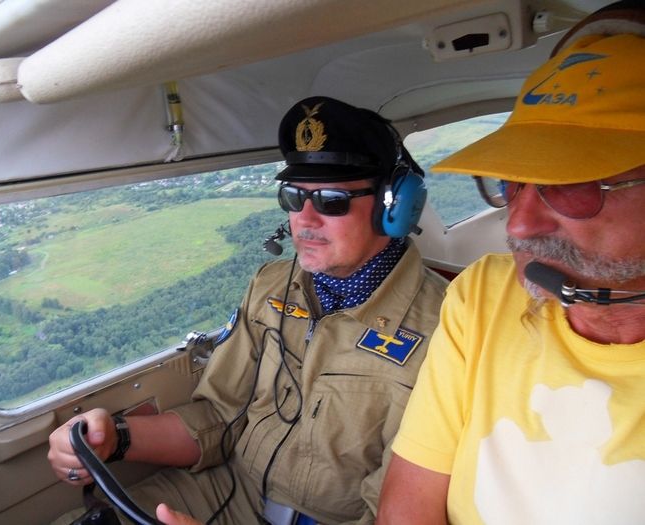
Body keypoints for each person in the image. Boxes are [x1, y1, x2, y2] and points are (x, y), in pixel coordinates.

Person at [48, 95, 448, 524]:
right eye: (293, 196)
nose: (305, 220)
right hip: (231, 489)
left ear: (394, 206)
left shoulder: (447, 329)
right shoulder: (270, 286)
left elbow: (396, 512)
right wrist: (114, 439)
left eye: (331, 200)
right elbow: (219, 417)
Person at [377, 3, 645, 524]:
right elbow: (405, 511)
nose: (518, 225)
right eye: (512, 182)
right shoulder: (485, 294)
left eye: (568, 184)